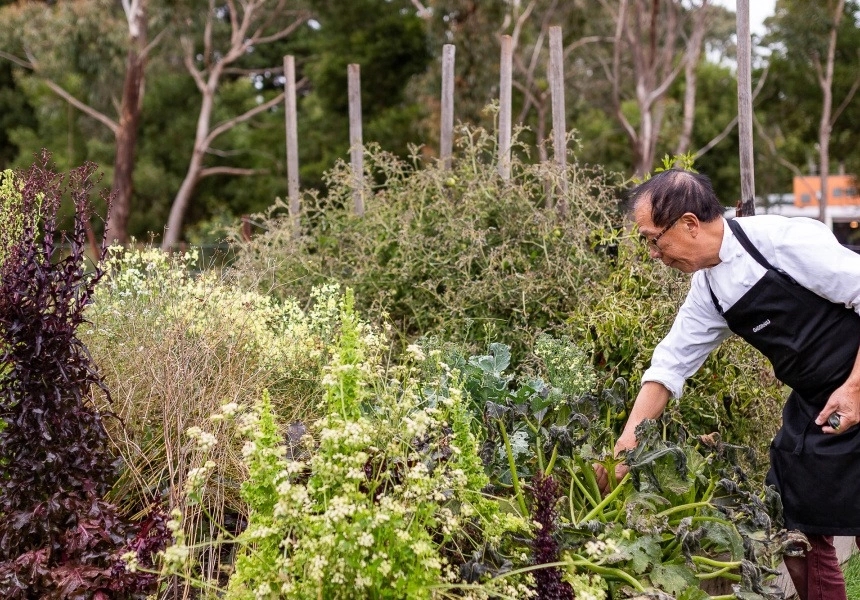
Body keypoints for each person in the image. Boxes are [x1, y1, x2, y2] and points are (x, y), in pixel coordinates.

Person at [595, 169, 860, 600]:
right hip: (816, 400)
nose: (652, 254)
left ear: (688, 224)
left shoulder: (780, 242)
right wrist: (626, 447)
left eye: (652, 239)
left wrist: (855, 389)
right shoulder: (710, 290)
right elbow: (670, 363)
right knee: (791, 524)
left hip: (855, 381)